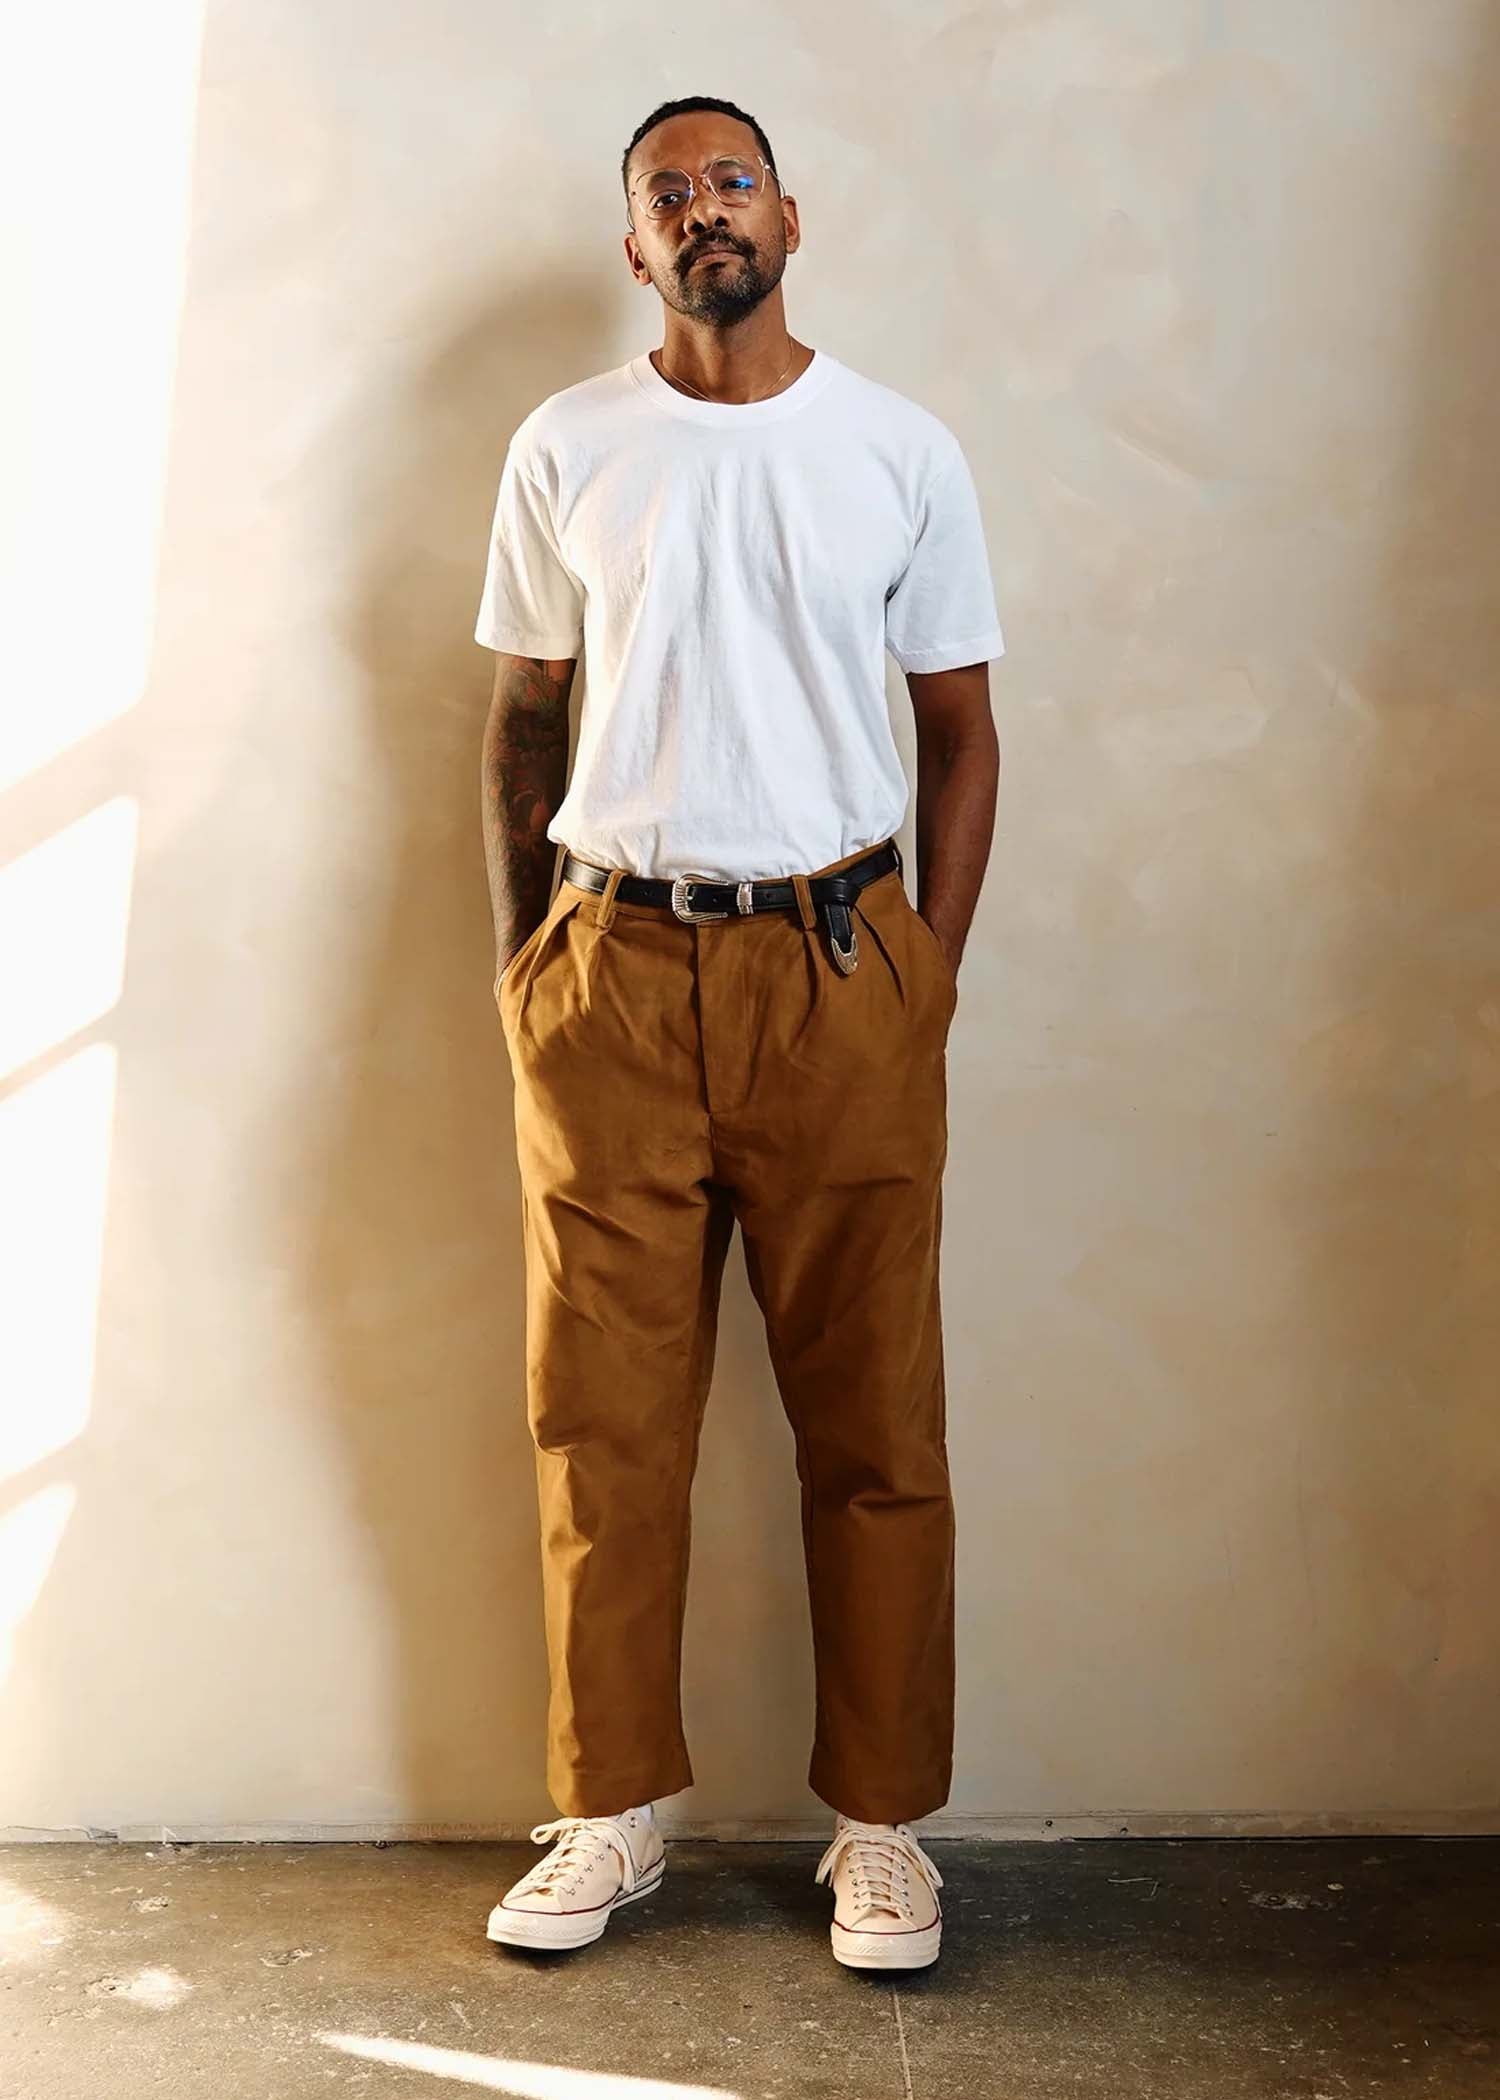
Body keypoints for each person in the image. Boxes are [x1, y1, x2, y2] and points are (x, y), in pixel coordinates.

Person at [474, 94, 1003, 1972]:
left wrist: (925, 977)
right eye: (667, 193)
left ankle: (883, 1832)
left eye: (731, 182)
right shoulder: (567, 443)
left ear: (791, 216)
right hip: (612, 973)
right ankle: (611, 1809)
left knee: (877, 1424)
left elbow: (962, 729)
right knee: (600, 1427)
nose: (704, 209)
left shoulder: (897, 447)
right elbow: (524, 716)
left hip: (842, 972)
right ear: (635, 246)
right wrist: (530, 967)